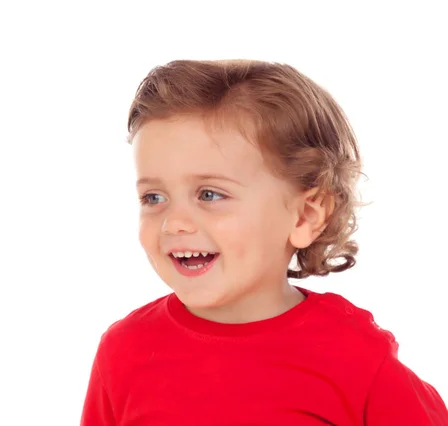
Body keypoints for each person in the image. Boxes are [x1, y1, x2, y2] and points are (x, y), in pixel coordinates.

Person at [80, 59, 448, 425]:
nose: (173, 223)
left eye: (209, 195)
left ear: (306, 215)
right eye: (154, 198)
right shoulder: (124, 353)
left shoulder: (352, 356)